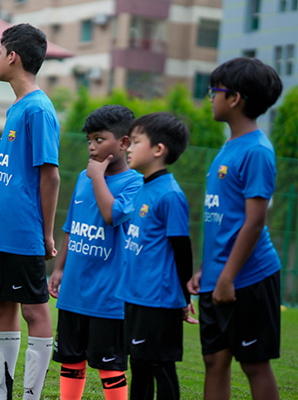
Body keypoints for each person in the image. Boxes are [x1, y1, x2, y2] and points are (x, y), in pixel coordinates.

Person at [187, 57, 283, 400]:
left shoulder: (257, 151)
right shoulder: (229, 147)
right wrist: (207, 269)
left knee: (254, 364)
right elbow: (222, 218)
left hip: (249, 277)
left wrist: (228, 277)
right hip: (218, 275)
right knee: (214, 361)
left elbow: (255, 221)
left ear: (235, 98)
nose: (210, 97)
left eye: (214, 90)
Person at [0, 23, 60, 400]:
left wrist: (46, 233)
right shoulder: (17, 106)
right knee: (2, 310)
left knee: (34, 311)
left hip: (23, 231)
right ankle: (2, 395)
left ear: (12, 56)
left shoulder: (39, 108)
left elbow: (50, 175)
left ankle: (30, 396)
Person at [48, 105, 142, 400]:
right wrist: (59, 268)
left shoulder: (135, 183)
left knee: (110, 367)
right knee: (70, 361)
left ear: (124, 143)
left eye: (99, 139)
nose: (91, 146)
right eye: (89, 140)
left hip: (109, 297)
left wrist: (98, 177)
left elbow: (112, 215)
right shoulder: (82, 177)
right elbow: (71, 226)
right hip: (74, 290)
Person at [115, 112, 198, 400]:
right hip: (135, 296)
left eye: (136, 141)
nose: (129, 147)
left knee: (160, 366)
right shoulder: (143, 187)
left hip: (158, 300)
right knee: (138, 365)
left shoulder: (170, 195)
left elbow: (182, 248)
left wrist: (185, 297)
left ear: (158, 149)